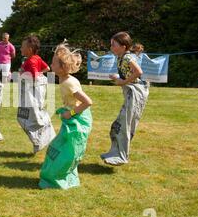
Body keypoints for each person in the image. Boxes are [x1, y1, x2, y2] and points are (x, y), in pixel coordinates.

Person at [39, 43, 93, 189]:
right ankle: (59, 175)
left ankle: (59, 178)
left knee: (67, 151)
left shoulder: (69, 83)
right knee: (58, 148)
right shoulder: (63, 79)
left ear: (62, 67)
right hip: (72, 118)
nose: (50, 64)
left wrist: (71, 113)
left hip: (79, 119)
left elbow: (87, 102)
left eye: (53, 63)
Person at [101, 32, 149, 166]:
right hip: (130, 92)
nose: (111, 47)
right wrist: (118, 78)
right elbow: (128, 73)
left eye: (113, 45)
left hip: (135, 93)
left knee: (123, 125)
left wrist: (123, 82)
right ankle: (115, 153)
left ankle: (121, 156)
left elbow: (138, 72)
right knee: (119, 125)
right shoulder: (120, 57)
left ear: (123, 46)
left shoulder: (127, 58)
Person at [17, 35, 56, 154]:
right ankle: (39, 140)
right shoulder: (37, 58)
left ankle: (40, 140)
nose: (20, 49)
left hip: (32, 94)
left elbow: (33, 76)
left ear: (29, 48)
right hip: (37, 92)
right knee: (33, 115)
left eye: (22, 47)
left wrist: (23, 73)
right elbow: (47, 68)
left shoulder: (31, 61)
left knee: (25, 117)